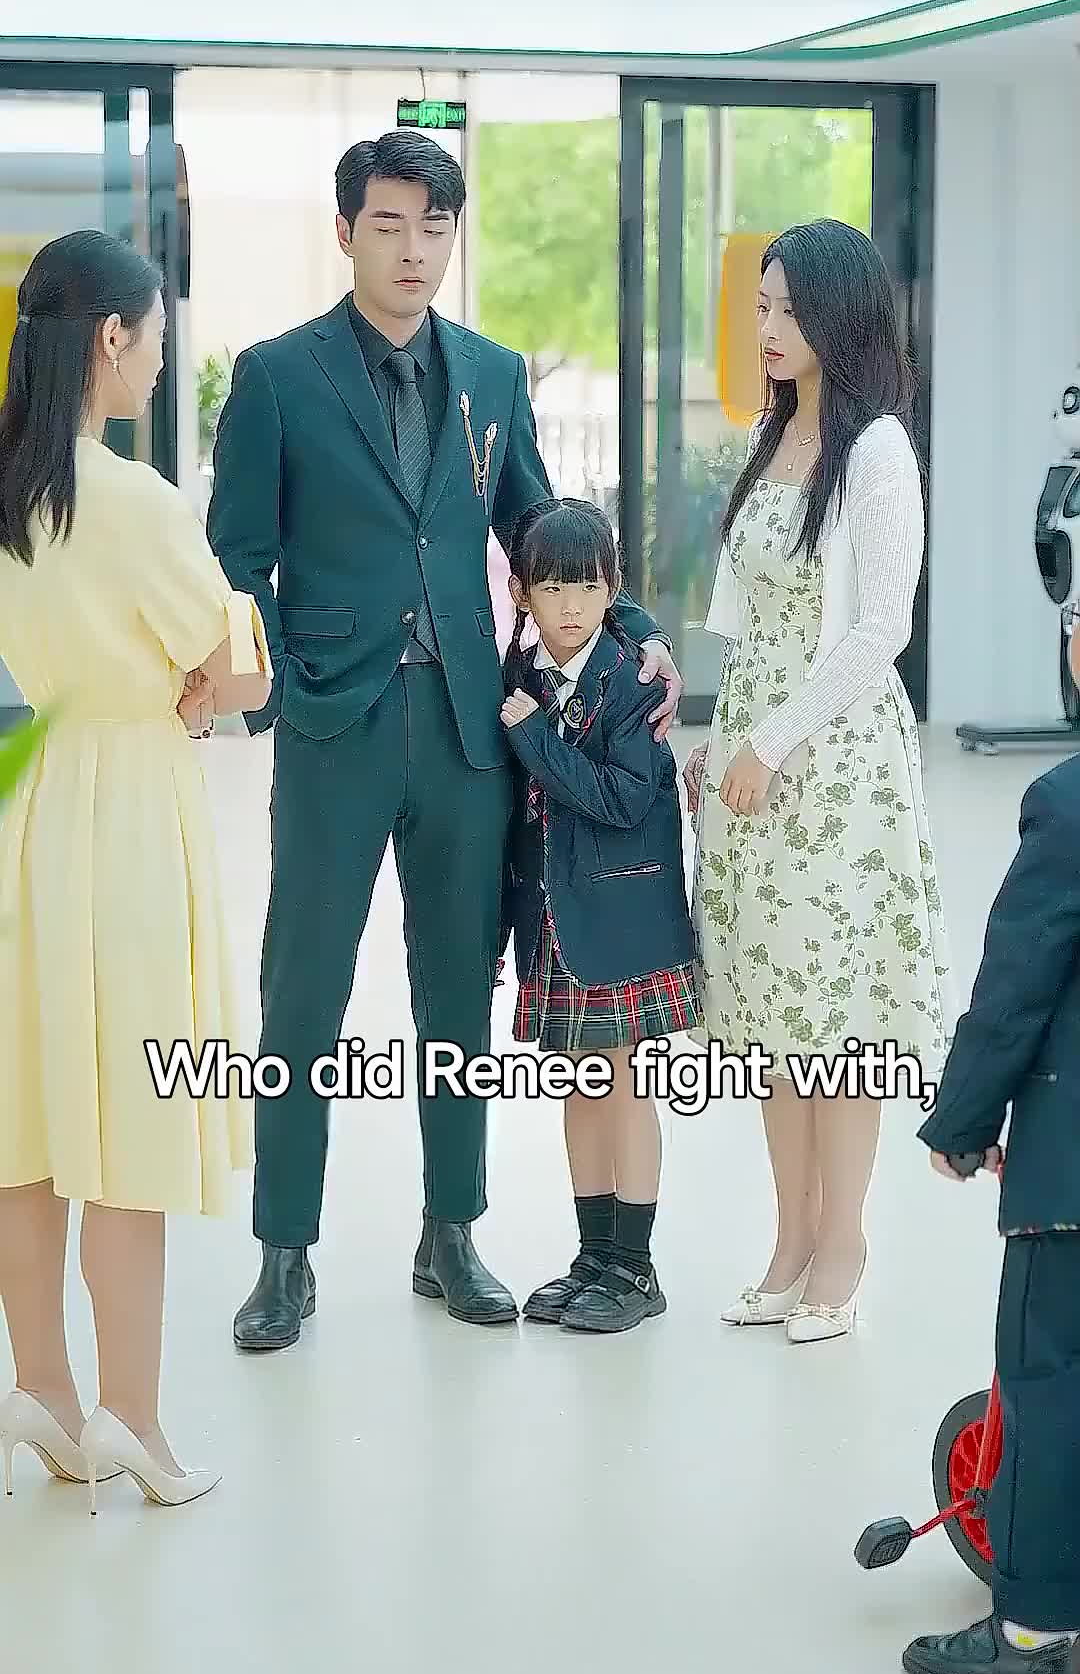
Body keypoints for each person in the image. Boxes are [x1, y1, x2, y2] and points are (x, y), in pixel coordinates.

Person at [207, 131, 680, 1349]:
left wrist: (632, 630)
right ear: (345, 232)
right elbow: (236, 558)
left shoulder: (492, 373)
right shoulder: (277, 376)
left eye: (435, 227)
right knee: (303, 987)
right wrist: (282, 685)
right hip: (336, 721)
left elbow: (538, 529)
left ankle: (451, 1231)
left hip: (473, 725)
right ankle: (284, 1252)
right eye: (389, 225)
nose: (415, 249)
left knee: (457, 988)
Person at [0, 230, 270, 1509]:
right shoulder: (136, 499)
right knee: (131, 1123)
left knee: (30, 1122)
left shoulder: (11, 491)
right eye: (156, 338)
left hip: (35, 801)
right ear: (112, 336)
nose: (162, 362)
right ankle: (135, 1423)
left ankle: (42, 1393)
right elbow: (237, 670)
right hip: (131, 818)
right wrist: (204, 683)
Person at [684, 218, 955, 1342]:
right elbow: (751, 618)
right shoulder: (773, 432)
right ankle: (790, 1240)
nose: (769, 328)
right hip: (756, 749)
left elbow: (881, 628)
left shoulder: (877, 449)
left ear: (841, 316)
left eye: (790, 309)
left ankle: (842, 1242)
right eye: (762, 307)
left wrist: (775, 740)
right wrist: (723, 739)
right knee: (770, 1010)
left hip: (833, 759)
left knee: (835, 1020)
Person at [903, 719, 1080, 1674]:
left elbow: (1016, 990)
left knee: (1049, 1385)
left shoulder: (1069, 805)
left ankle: (1036, 1633)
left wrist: (962, 1122)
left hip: (1072, 1186)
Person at [499, 500, 701, 1333]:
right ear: (522, 593)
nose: (571, 606)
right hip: (555, 917)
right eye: (552, 589)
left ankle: (635, 1268)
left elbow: (622, 799)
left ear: (613, 590)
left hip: (620, 916)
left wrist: (537, 741)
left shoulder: (633, 680)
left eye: (587, 588)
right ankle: (594, 1256)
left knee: (622, 1085)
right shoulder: (519, 673)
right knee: (581, 1087)